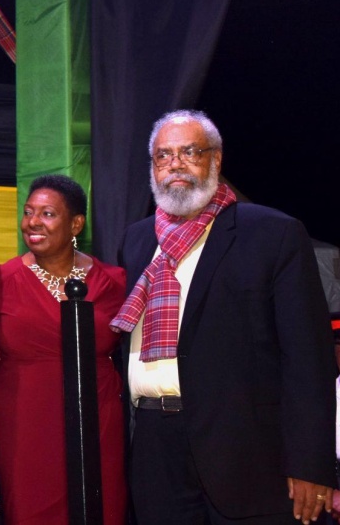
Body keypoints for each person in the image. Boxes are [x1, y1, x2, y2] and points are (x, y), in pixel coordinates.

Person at [111, 110, 335, 525]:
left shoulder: (272, 233)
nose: (175, 164)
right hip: (155, 445)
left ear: (215, 160)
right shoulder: (138, 239)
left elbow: (309, 358)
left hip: (246, 448)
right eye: (163, 156)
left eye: (189, 152)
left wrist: (312, 463)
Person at [0, 174, 127, 525]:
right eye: (28, 212)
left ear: (76, 223)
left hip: (99, 431)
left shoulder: (115, 281)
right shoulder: (0, 280)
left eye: (47, 213)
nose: (33, 222)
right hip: (24, 435)